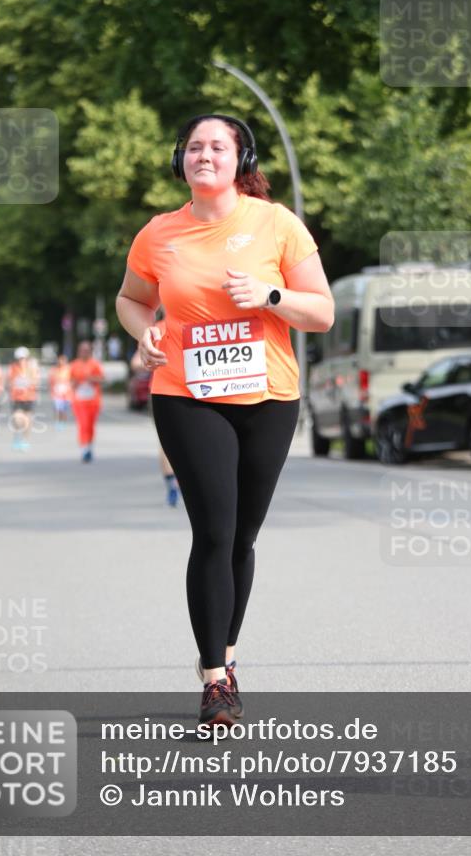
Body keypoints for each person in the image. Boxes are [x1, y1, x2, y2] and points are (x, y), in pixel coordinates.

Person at [116, 113, 334, 727]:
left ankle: (226, 658)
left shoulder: (277, 224)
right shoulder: (159, 234)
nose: (203, 155)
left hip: (269, 396)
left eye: (217, 147)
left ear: (242, 159)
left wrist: (269, 296)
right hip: (187, 392)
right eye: (193, 147)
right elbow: (131, 299)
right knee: (213, 531)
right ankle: (216, 680)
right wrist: (144, 331)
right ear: (178, 159)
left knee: (242, 537)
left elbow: (321, 313)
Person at [129, 346, 180, 507]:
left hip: (194, 392)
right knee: (167, 441)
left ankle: (183, 481)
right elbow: (136, 362)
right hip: (163, 392)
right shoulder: (155, 330)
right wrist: (153, 359)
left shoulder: (195, 322)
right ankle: (172, 482)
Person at [69, 341, 104, 462]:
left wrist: (91, 378)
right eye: (82, 350)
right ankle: (84, 449)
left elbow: (101, 379)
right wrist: (76, 382)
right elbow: (70, 381)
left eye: (87, 350)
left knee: (90, 425)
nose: (85, 353)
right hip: (79, 401)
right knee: (82, 424)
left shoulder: (95, 365)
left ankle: (89, 446)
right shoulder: (74, 365)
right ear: (79, 352)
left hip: (93, 401)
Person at [8, 347, 39, 451]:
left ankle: (25, 440)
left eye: (23, 358)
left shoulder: (31, 368)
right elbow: (10, 382)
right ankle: (17, 435)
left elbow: (35, 381)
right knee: (17, 419)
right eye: (19, 358)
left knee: (28, 419)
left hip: (29, 397)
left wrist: (29, 383)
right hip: (17, 397)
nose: (21, 360)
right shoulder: (13, 368)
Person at [49, 354, 72, 429]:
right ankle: (58, 421)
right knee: (58, 408)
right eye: (60, 360)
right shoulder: (54, 370)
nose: (61, 362)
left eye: (63, 360)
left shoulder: (69, 369)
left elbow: (73, 381)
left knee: (64, 409)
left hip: (67, 393)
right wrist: (52, 391)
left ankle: (62, 421)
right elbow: (51, 381)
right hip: (57, 393)